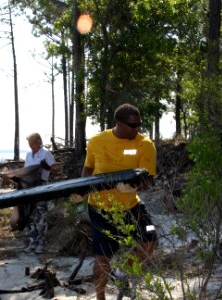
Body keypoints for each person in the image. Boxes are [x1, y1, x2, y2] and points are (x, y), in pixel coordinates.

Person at [78, 103, 158, 300]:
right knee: (103, 257)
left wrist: (132, 188)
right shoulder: (97, 141)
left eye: (139, 124)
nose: (137, 129)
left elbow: (149, 180)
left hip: (132, 206)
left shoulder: (144, 144)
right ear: (118, 123)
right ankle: (100, 297)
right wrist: (80, 190)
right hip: (100, 210)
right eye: (133, 125)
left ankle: (123, 272)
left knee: (151, 239)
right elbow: (87, 170)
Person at [22, 132, 56, 254]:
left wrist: (47, 167)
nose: (30, 146)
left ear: (38, 142)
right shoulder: (28, 155)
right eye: (29, 143)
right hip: (29, 187)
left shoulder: (45, 153)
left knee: (41, 215)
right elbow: (25, 170)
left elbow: (55, 168)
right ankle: (32, 242)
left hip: (41, 186)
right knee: (30, 216)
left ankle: (41, 242)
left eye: (32, 143)